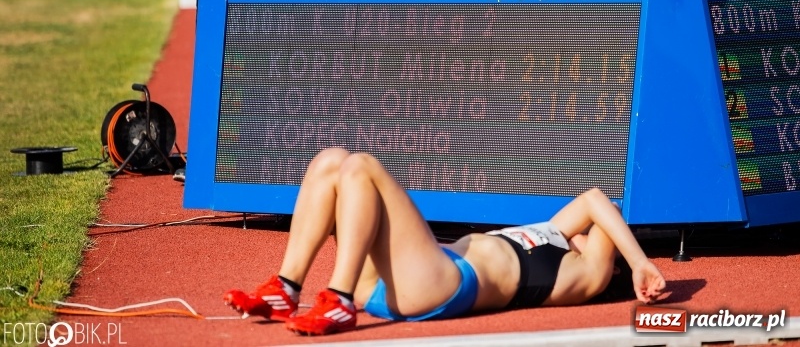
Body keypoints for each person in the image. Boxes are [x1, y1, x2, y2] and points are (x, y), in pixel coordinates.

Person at [223, 147, 667, 336]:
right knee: (332, 161)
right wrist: (576, 234)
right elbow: (590, 199)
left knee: (362, 166)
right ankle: (286, 288)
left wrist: (640, 263)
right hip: (398, 278)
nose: (586, 235)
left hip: (440, 285)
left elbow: (605, 210)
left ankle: (338, 297)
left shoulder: (589, 275)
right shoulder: (555, 233)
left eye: (594, 239)